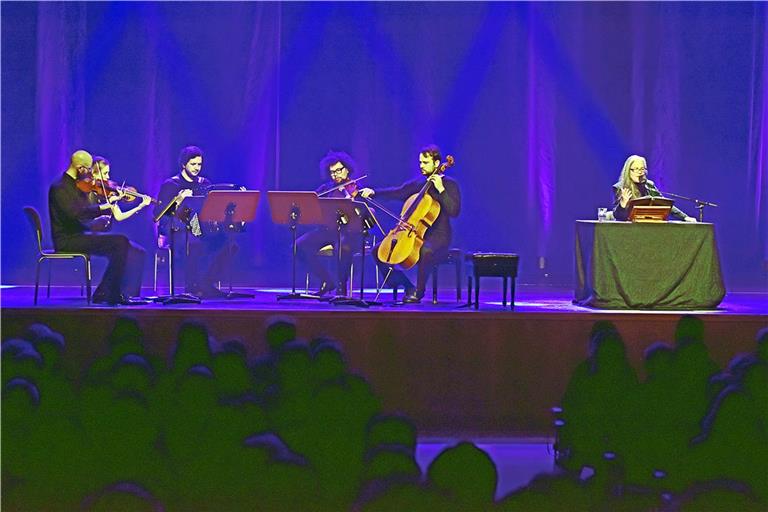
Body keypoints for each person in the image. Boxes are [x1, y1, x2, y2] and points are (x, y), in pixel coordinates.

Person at [359, 144, 461, 303]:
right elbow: (397, 192)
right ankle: (405, 284)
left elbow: (454, 211)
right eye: (420, 162)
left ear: (436, 163)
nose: (421, 165)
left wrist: (441, 190)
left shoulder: (449, 184)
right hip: (412, 231)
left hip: (438, 235)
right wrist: (374, 192)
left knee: (425, 251)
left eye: (425, 162)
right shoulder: (418, 185)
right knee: (377, 251)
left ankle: (419, 292)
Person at [48, 150, 147, 305]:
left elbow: (84, 213)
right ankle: (110, 294)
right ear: (80, 168)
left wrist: (97, 220)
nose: (89, 173)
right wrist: (103, 208)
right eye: (88, 169)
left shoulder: (76, 186)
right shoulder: (60, 187)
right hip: (67, 239)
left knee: (132, 249)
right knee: (120, 242)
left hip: (80, 234)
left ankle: (122, 293)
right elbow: (76, 213)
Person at [153, 146, 233, 299]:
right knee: (195, 243)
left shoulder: (204, 184)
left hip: (201, 228)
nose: (197, 168)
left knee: (228, 244)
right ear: (184, 164)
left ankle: (207, 282)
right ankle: (192, 287)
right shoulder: (171, 184)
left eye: (199, 164)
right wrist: (180, 200)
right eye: (193, 164)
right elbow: (159, 214)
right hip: (176, 229)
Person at [296, 151, 363, 296]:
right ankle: (326, 279)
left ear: (347, 169)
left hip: (350, 232)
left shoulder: (357, 188)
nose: (335, 175)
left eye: (339, 170)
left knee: (343, 247)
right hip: (327, 230)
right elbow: (310, 202)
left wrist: (351, 198)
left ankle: (341, 287)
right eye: (332, 172)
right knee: (298, 247)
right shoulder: (326, 189)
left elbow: (363, 213)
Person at [87, 156, 151, 297]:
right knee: (124, 250)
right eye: (105, 173)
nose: (108, 178)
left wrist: (140, 206)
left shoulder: (108, 194)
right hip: (90, 237)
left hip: (104, 236)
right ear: (94, 174)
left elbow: (119, 216)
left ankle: (129, 293)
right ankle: (104, 292)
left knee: (139, 253)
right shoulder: (86, 194)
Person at [612, 155, 696, 222]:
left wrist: (685, 217)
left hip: (651, 225)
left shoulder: (649, 185)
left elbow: (665, 204)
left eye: (642, 169)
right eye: (636, 169)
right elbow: (618, 217)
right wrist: (623, 205)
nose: (640, 172)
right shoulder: (620, 187)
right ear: (628, 170)